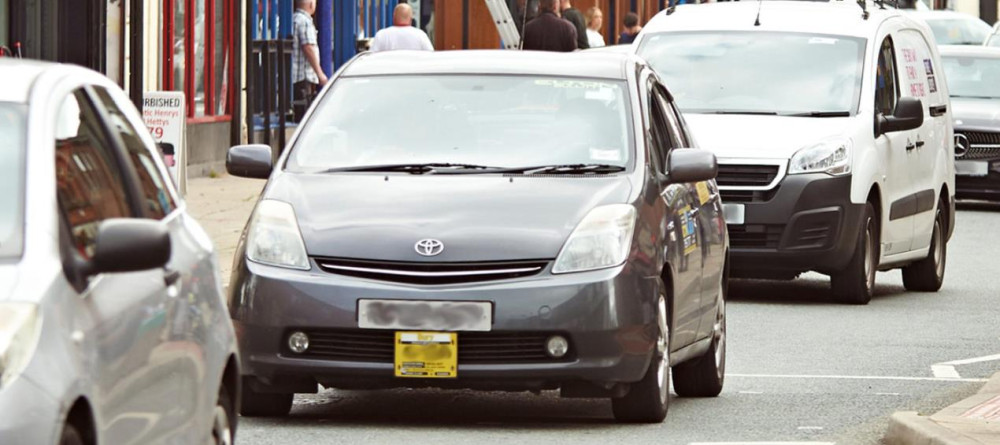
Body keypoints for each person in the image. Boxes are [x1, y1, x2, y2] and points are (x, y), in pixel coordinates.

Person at [292, 0, 327, 121]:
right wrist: (320, 74)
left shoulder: (294, 19)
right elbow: (308, 47)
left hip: (294, 77)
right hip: (303, 76)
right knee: (303, 115)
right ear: (311, 4)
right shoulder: (305, 21)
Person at [370, 3, 434, 52]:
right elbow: (430, 56)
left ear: (394, 17)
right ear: (411, 19)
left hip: (389, 69)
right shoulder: (420, 35)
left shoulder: (382, 35)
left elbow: (371, 57)